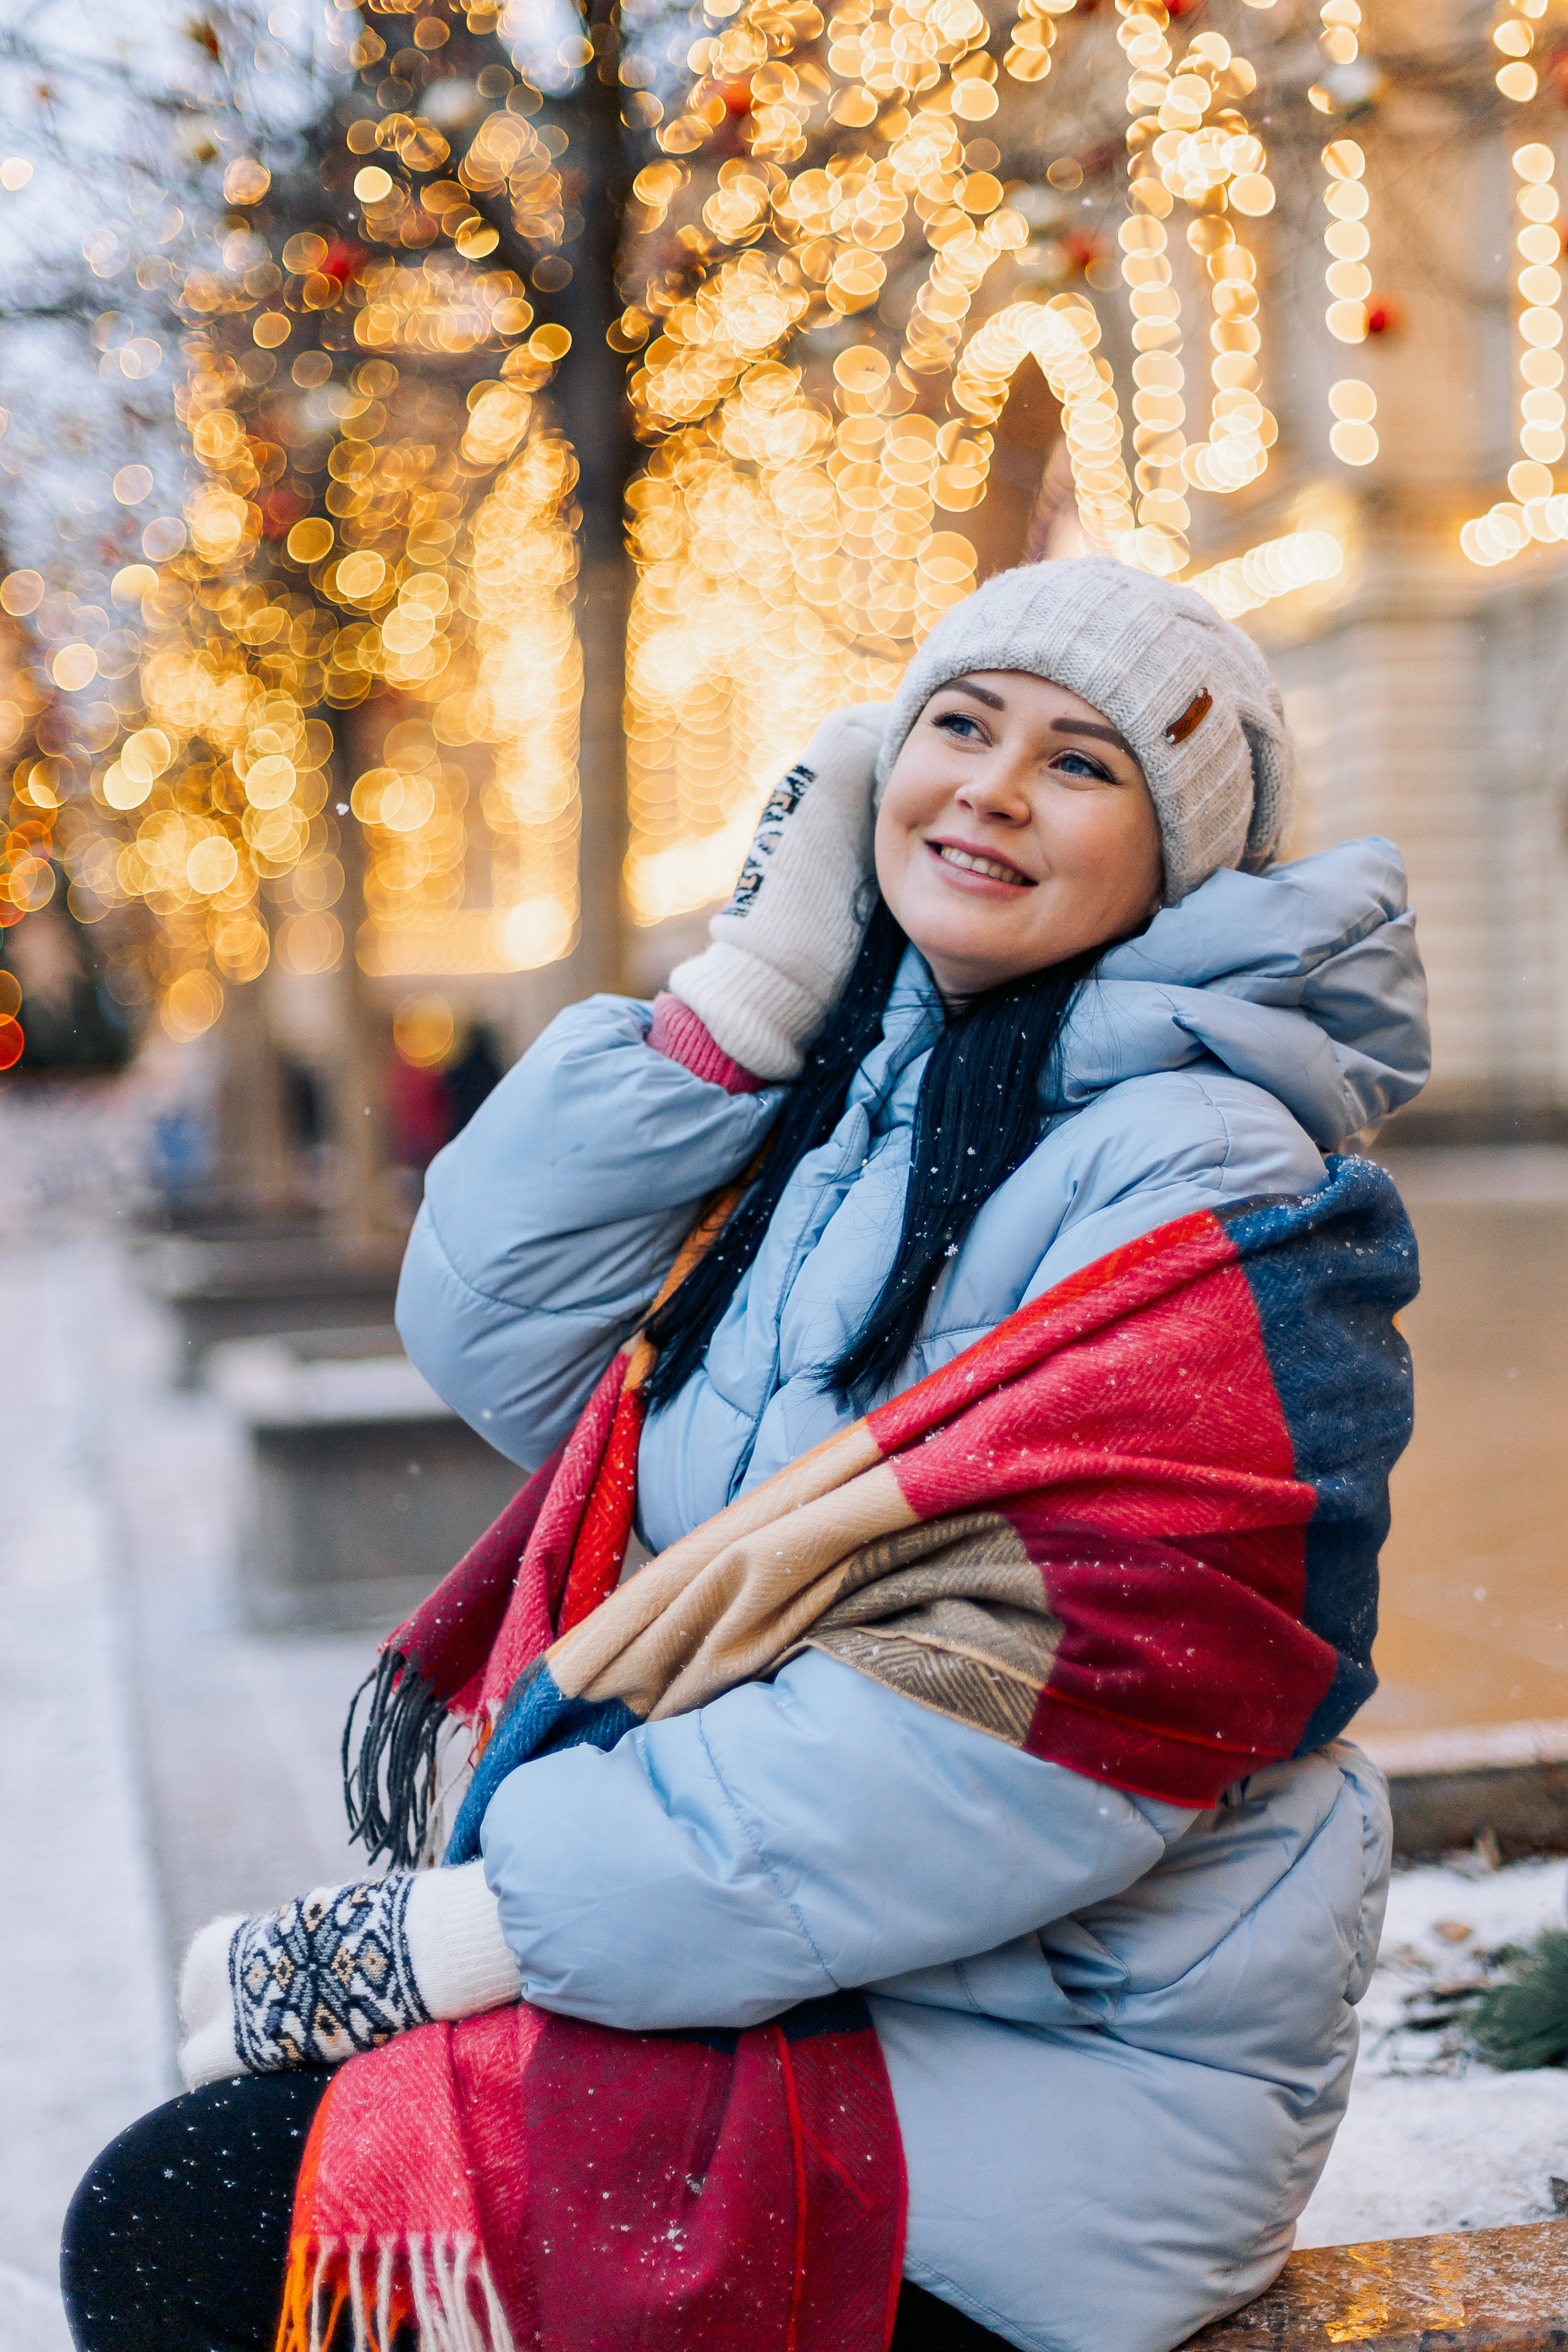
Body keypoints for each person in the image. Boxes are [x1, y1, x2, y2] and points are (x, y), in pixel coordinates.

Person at [62, 558, 1430, 2352]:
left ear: (1176, 864)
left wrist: (495, 1926)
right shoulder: (858, 1092)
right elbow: (488, 1324)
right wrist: (750, 994)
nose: (994, 788)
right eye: (958, 725)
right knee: (201, 2203)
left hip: (1051, 2070)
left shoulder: (1204, 1168)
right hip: (820, 1971)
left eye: (1084, 764)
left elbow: (1063, 1698)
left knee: (200, 2226)